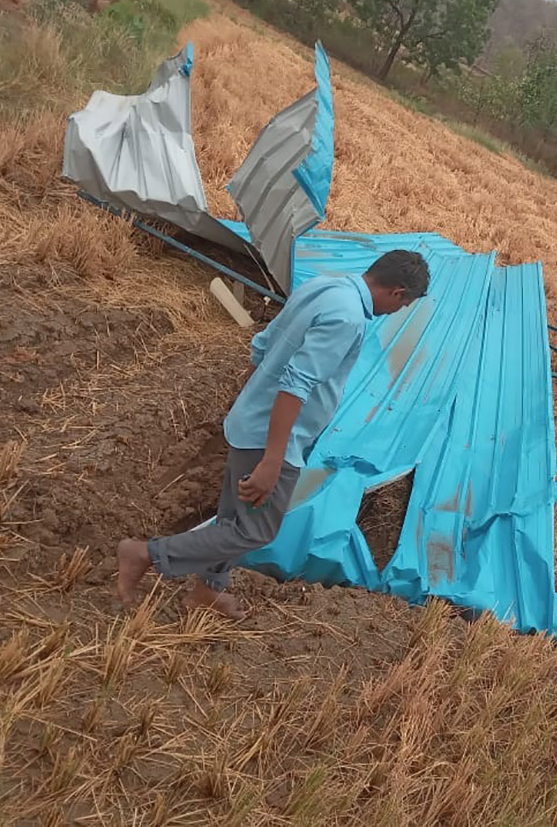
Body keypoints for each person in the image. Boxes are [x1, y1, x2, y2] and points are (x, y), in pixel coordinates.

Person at [116, 249, 430, 619]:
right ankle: (145, 554)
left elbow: (263, 345)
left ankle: (207, 589)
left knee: (234, 520)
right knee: (255, 531)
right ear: (397, 292)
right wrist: (272, 458)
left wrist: (247, 405)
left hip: (253, 422)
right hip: (274, 437)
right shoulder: (347, 318)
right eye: (404, 305)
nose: (398, 312)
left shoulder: (323, 286)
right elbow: (296, 384)